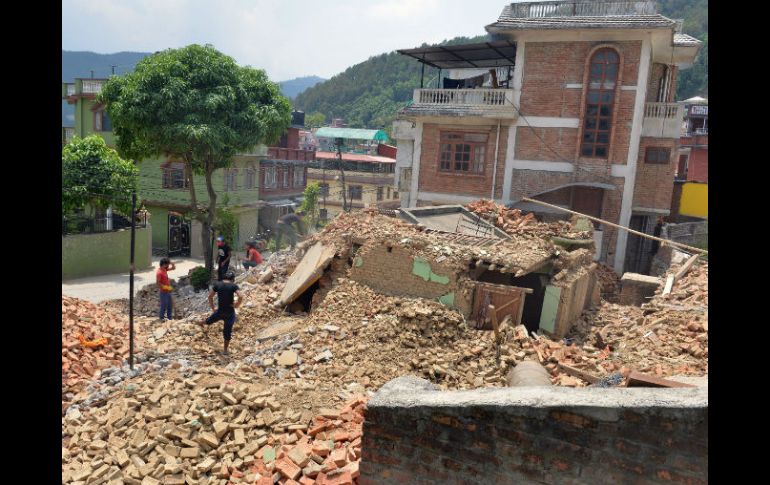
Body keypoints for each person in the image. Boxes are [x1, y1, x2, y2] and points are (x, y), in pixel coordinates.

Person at [199, 271, 242, 354]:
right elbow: (240, 296)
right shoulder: (233, 286)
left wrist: (213, 308)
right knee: (227, 332)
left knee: (209, 320)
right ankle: (225, 350)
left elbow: (210, 296)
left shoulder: (217, 284)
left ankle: (200, 323)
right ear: (233, 279)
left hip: (220, 311)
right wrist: (236, 305)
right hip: (229, 313)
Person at [156, 258, 176, 322]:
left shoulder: (164, 269)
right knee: (164, 305)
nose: (168, 265)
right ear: (164, 264)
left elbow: (173, 268)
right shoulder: (159, 272)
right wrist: (165, 287)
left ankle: (169, 318)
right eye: (167, 264)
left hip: (168, 291)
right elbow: (158, 283)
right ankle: (161, 318)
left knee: (170, 305)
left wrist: (171, 263)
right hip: (163, 292)